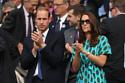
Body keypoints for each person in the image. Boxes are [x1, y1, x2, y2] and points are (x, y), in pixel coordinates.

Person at [20, 6, 65, 83]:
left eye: (44, 19)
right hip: (32, 80)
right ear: (35, 20)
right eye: (39, 19)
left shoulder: (58, 36)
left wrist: (42, 45)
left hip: (51, 80)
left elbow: (56, 62)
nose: (41, 22)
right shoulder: (28, 39)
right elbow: (24, 65)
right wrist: (34, 50)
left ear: (49, 20)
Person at [71, 11, 112, 83]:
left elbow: (101, 62)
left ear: (92, 22)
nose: (84, 24)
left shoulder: (102, 39)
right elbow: (75, 69)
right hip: (82, 80)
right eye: (82, 22)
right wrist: (77, 53)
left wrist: (84, 51)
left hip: (97, 79)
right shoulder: (79, 42)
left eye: (87, 21)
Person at [101, 0, 125, 83]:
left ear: (115, 9)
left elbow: (96, 39)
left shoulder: (108, 23)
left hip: (112, 71)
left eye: (110, 10)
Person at [64, 4, 85, 83]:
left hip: (85, 73)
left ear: (78, 17)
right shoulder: (66, 33)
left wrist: (72, 50)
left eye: (70, 16)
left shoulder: (89, 33)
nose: (67, 19)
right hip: (70, 74)